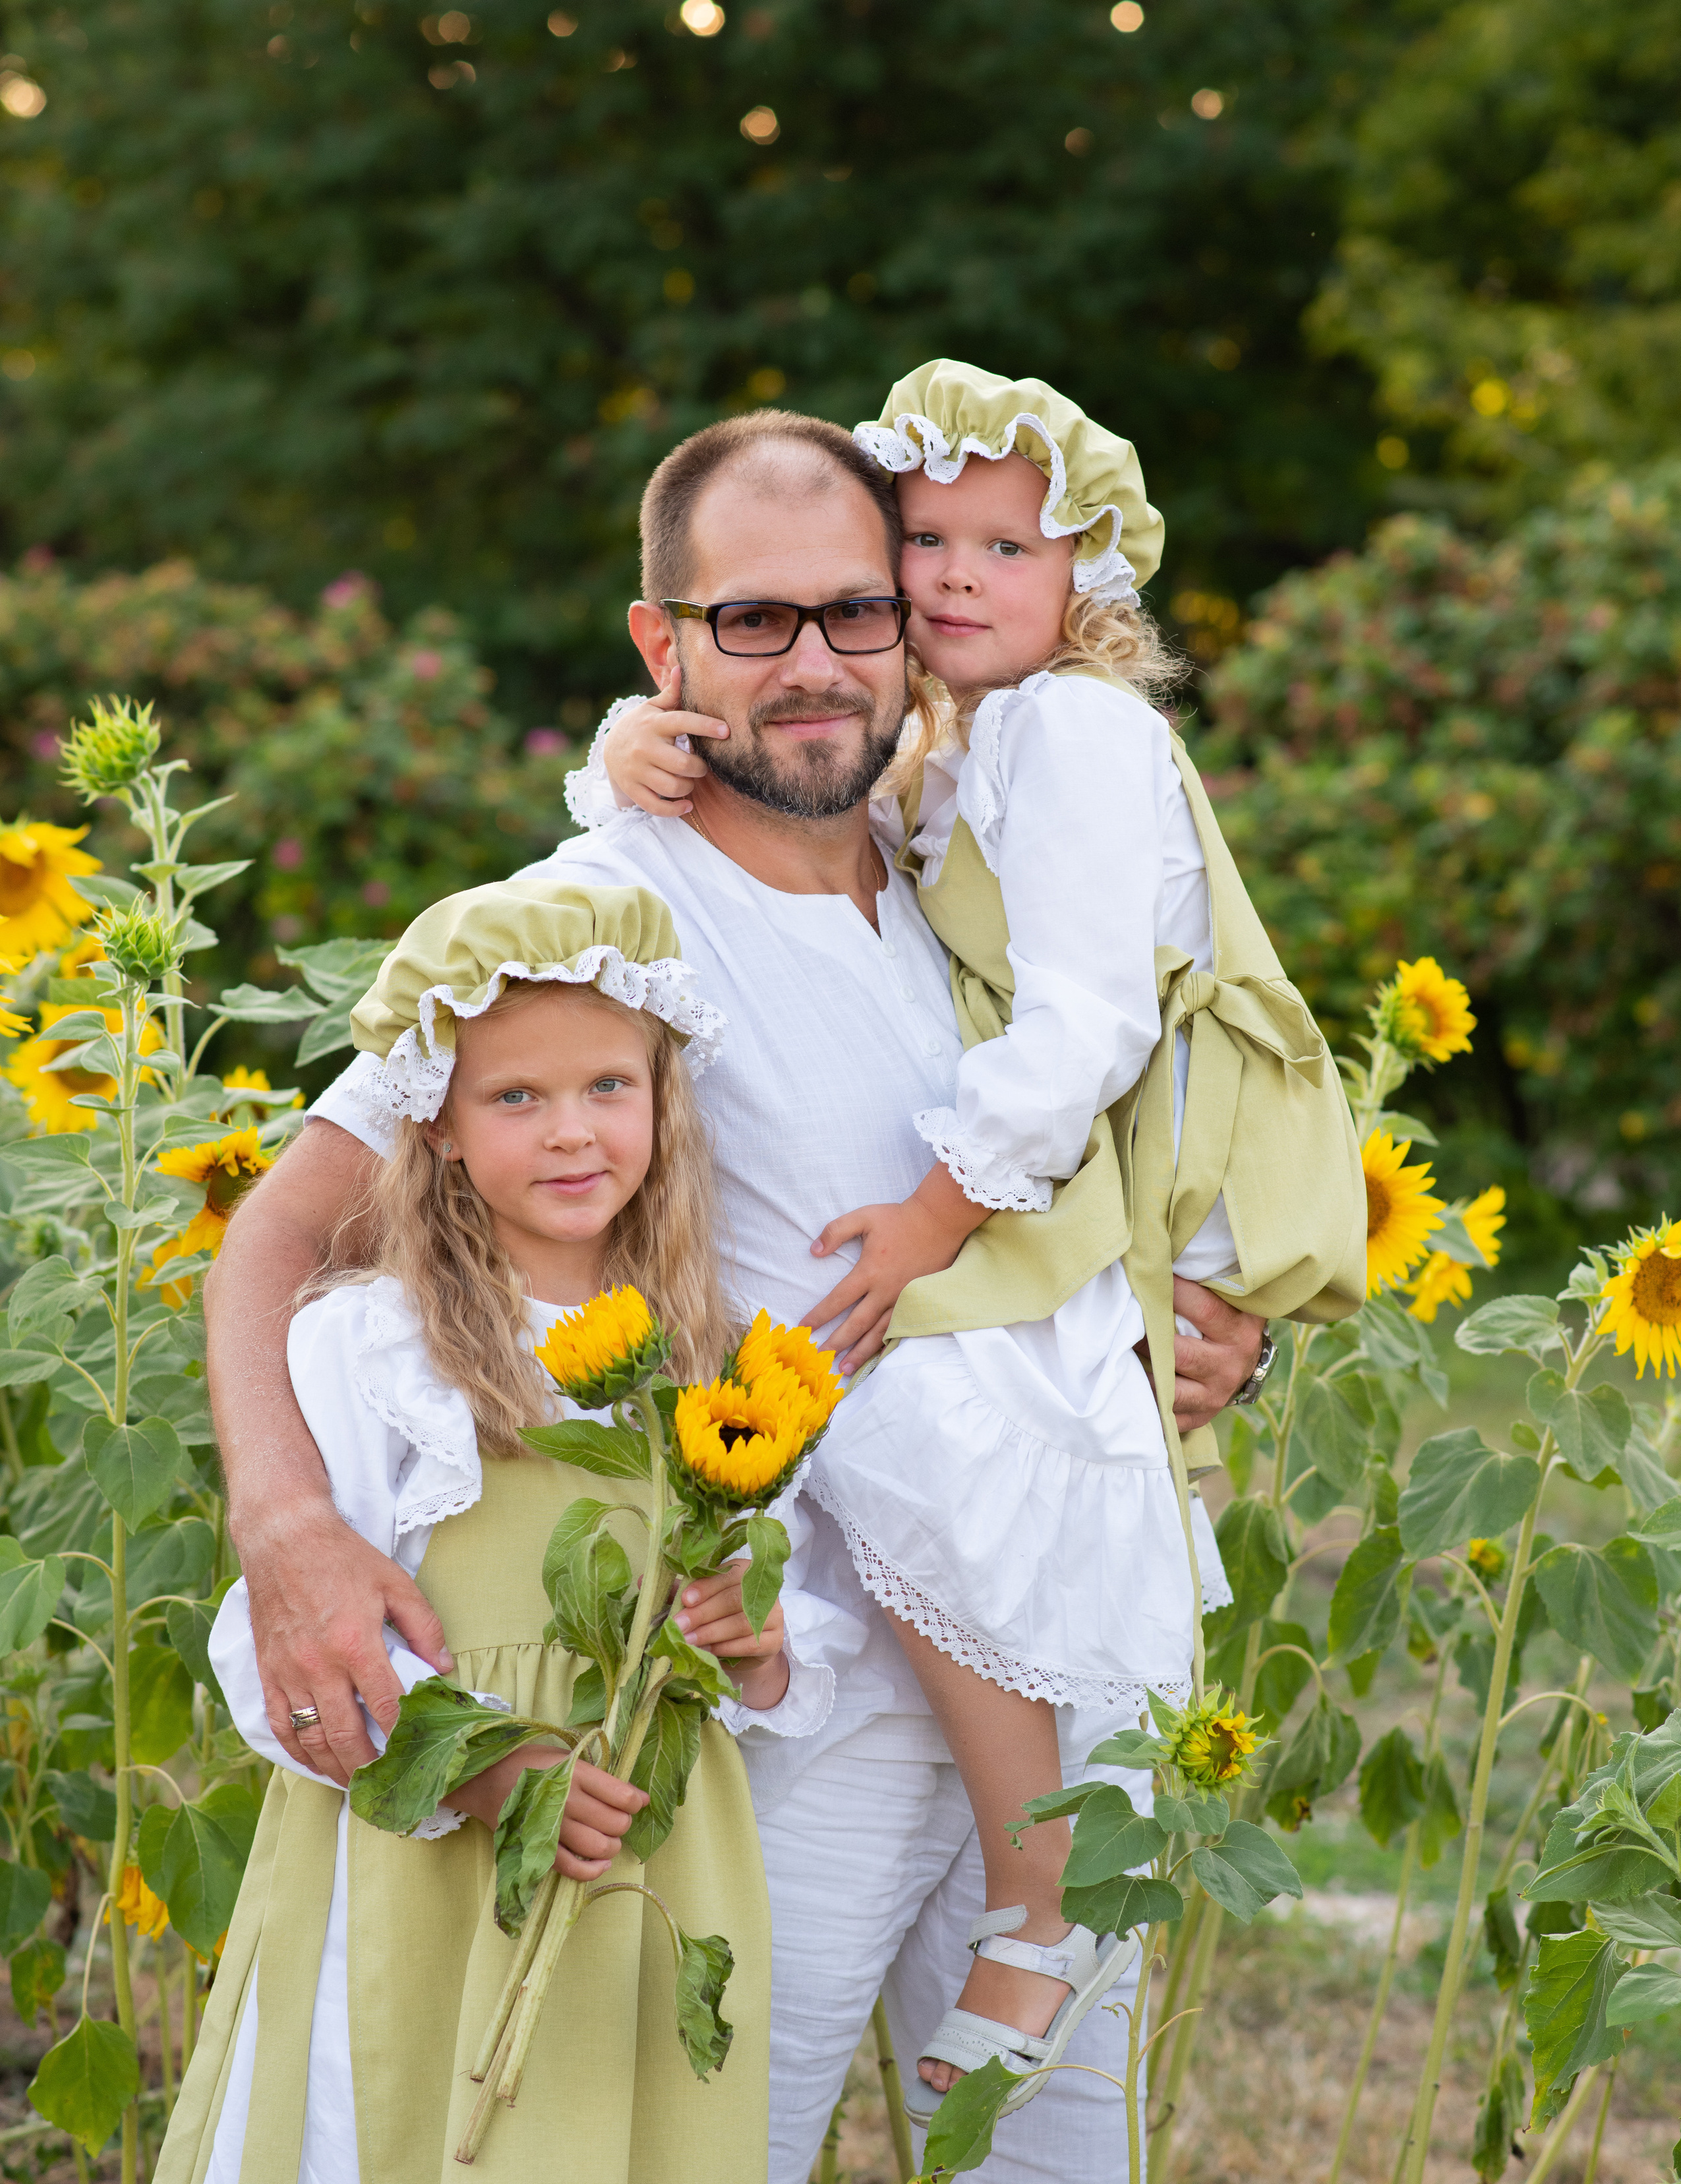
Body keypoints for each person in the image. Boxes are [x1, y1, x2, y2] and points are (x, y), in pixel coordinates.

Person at [205, 407, 1269, 2183]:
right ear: (663, 644)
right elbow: (285, 1233)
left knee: (1058, 2154)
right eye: (754, 620)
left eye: (859, 612)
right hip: (793, 1682)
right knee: (711, 2145)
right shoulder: (588, 912)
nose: (817, 663)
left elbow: (1061, 1158)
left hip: (1067, 1630)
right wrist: (289, 1520)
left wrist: (1169, 1320)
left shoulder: (971, 884)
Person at [595, 363, 1366, 2116]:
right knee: (921, 1423)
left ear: (1088, 574)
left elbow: (1091, 1018)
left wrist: (944, 1214)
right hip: (1076, 1210)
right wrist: (622, 750)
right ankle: (1042, 1892)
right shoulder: (956, 744)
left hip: (1143, 1159)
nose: (947, 579)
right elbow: (776, 800)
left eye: (998, 546)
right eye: (920, 542)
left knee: (919, 1413)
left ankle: (1044, 1890)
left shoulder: (1075, 732)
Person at [162, 882, 796, 2184]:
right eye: (516, 1098)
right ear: (437, 1121)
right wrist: (483, 1774)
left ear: (662, 1104)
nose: (572, 1134)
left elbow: (775, 1615)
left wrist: (760, 1639)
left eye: (609, 1088)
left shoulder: (714, 1354)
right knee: (397, 2119)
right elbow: (282, 1644)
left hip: (640, 1847)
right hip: (432, 1847)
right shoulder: (375, 1344)